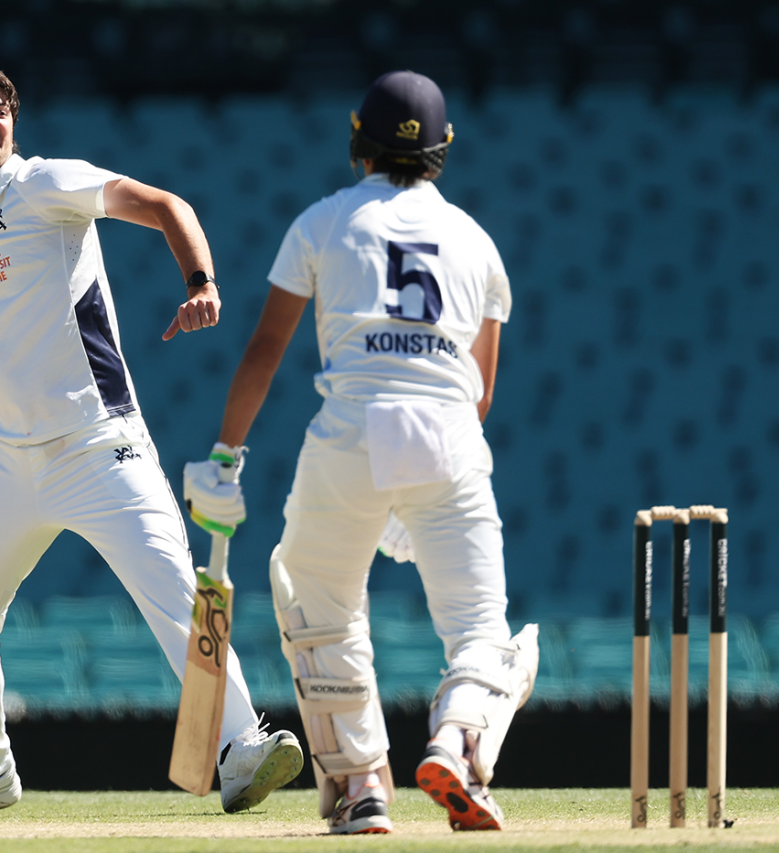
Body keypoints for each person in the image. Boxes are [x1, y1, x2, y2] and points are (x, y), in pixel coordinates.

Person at [0, 65, 302, 818]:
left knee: (175, 592)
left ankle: (241, 746)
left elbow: (164, 203)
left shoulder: (45, 183)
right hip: (4, 459)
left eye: (1, 110)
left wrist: (200, 281)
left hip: (100, 445)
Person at [184, 70, 539, 834]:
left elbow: (265, 348)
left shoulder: (324, 222)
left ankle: (361, 786)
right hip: (448, 435)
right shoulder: (477, 240)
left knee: (317, 600)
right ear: (444, 150)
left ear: (358, 142)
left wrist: (224, 455)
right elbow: (479, 389)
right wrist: (417, 489)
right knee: (482, 629)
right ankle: (455, 740)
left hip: (348, 434)